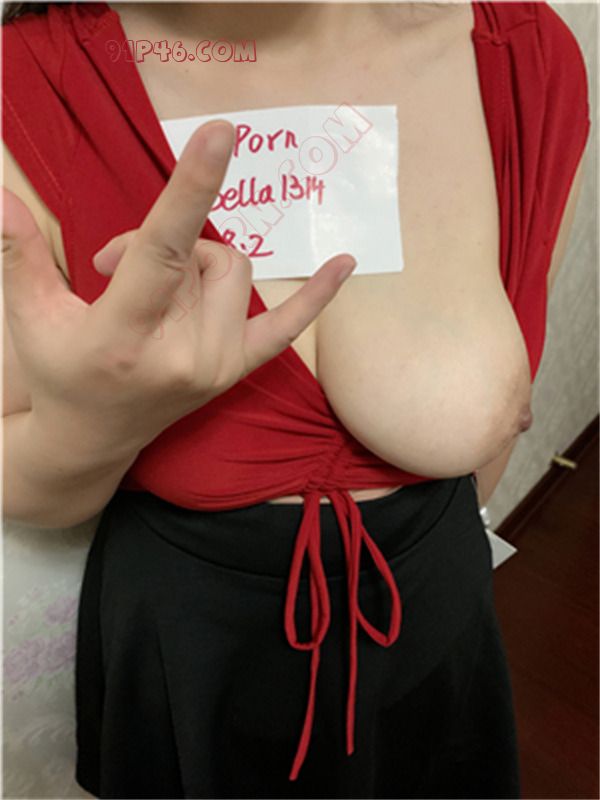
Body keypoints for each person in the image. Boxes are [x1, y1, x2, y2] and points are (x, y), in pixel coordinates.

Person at [2, 2, 590, 798]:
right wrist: (95, 424)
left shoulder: (522, 55)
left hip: (430, 616)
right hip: (192, 652)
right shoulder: (27, 86)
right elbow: (23, 481)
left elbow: (506, 406)